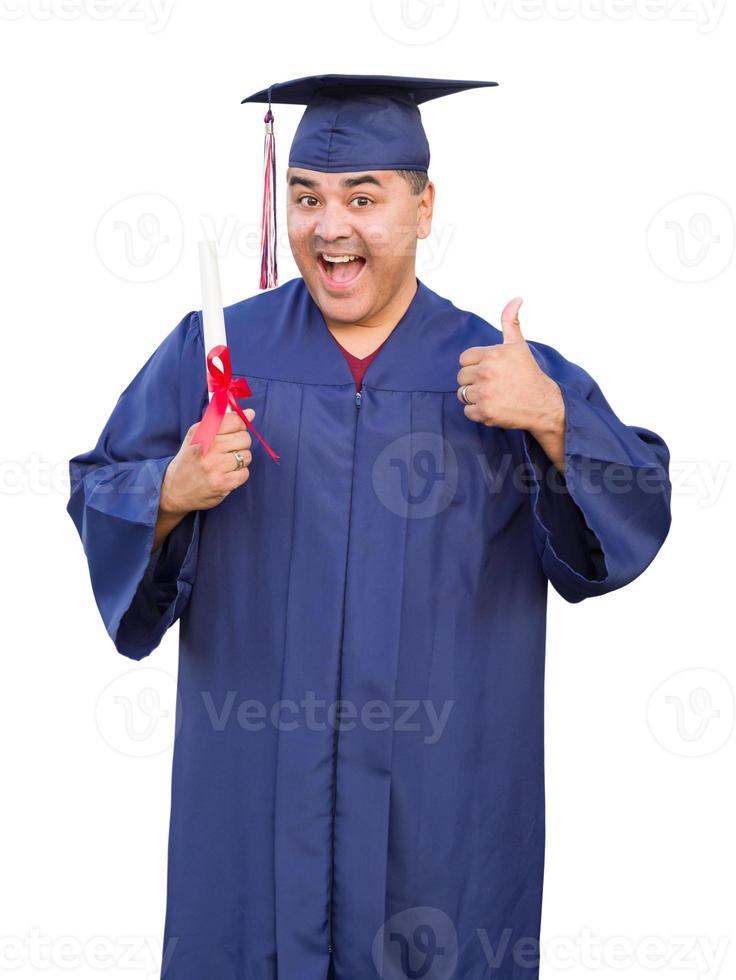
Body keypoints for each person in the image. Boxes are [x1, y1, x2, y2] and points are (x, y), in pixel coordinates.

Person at [67, 75, 672, 980]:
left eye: (363, 197)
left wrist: (552, 417)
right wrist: (171, 489)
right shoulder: (219, 353)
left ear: (424, 208)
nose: (330, 225)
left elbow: (637, 513)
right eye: (305, 197)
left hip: (445, 820)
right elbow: (98, 488)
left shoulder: (497, 372)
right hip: (254, 810)